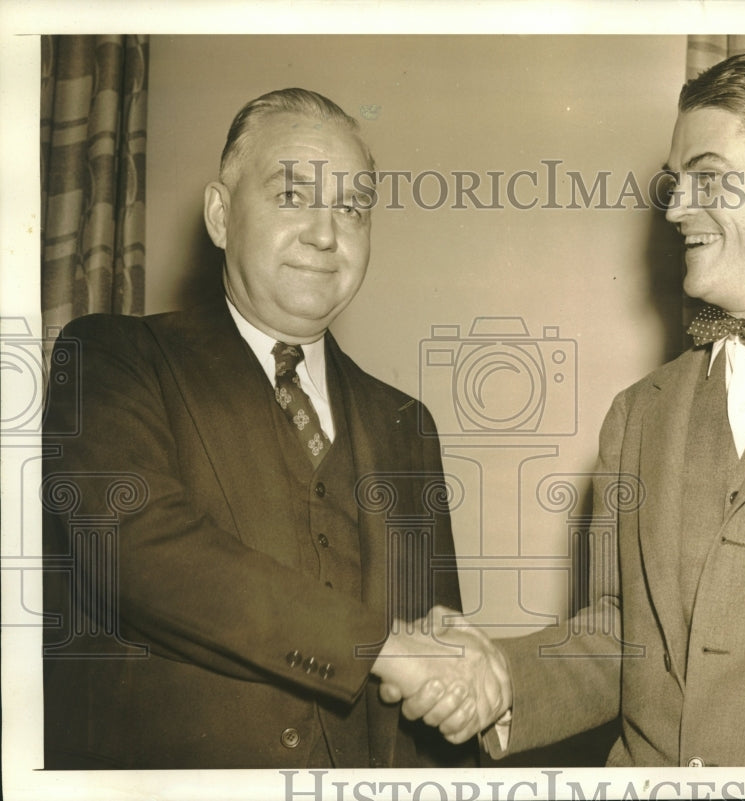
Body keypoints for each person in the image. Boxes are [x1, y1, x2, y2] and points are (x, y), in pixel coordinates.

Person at [393, 50, 745, 766]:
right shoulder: (638, 416)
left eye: (707, 176)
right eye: (675, 180)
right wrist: (502, 678)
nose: (674, 207)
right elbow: (623, 639)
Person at [41, 88, 506, 770]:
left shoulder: (407, 425)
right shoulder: (112, 357)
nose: (326, 234)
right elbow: (135, 552)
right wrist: (381, 647)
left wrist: (470, 698)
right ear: (220, 215)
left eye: (352, 207)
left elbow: (438, 678)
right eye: (293, 196)